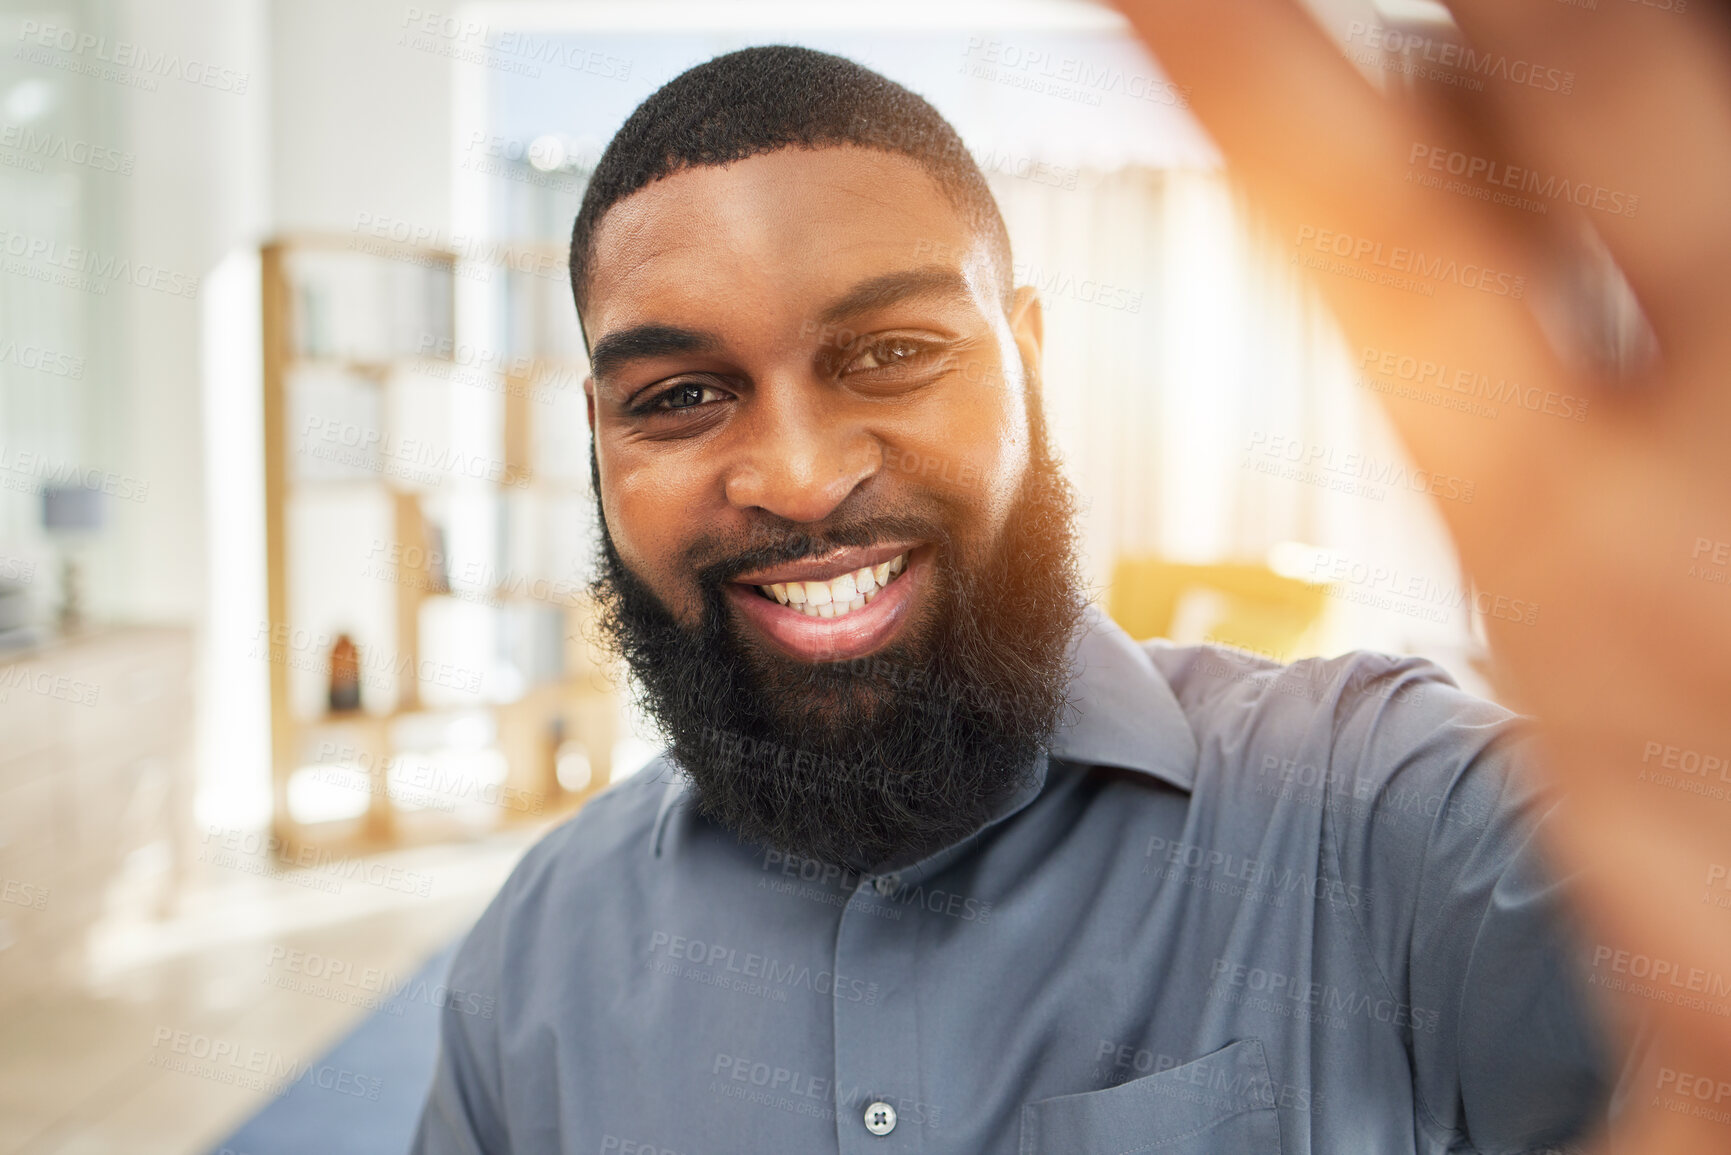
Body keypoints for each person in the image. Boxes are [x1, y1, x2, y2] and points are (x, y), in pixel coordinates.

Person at [413, 45, 1622, 1155]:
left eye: (890, 352)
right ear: (597, 441)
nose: (798, 475)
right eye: (679, 395)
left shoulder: (1375, 815)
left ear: (1028, 364)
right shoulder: (534, 960)